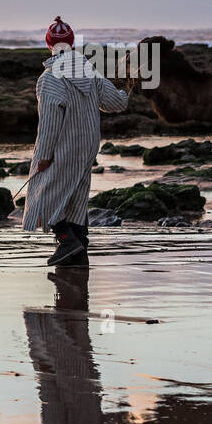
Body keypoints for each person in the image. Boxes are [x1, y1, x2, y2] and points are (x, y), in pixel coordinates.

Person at [23, 17, 129, 267]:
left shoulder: (49, 79)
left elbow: (48, 124)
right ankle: (79, 255)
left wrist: (44, 156)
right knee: (76, 200)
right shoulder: (89, 71)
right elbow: (116, 104)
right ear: (71, 44)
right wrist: (126, 90)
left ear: (49, 45)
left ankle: (67, 241)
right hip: (88, 145)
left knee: (42, 196)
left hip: (64, 146)